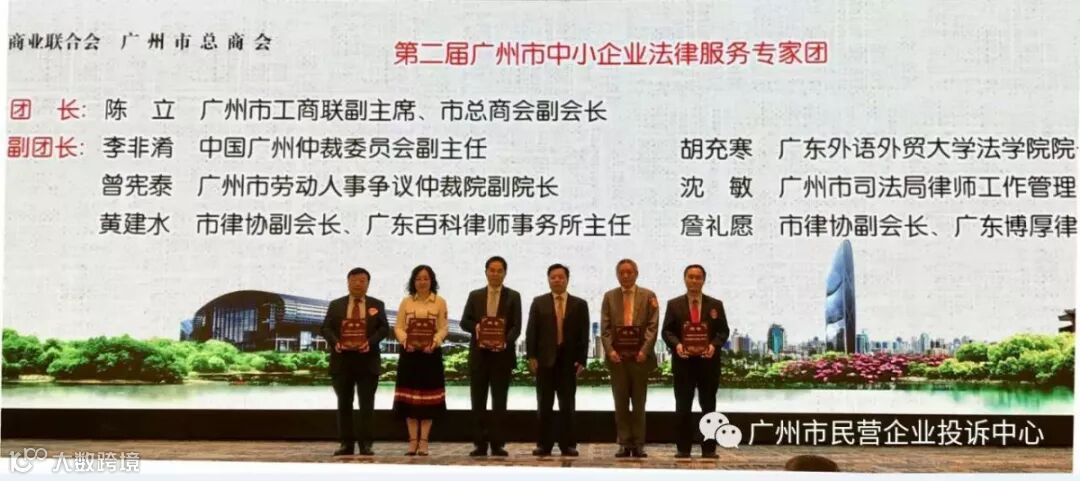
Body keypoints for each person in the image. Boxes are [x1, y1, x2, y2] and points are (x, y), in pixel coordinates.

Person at [660, 264, 730, 459]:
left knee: (709, 406)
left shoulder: (716, 305)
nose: (694, 280)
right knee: (683, 406)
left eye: (698, 277)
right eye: (690, 277)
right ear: (685, 279)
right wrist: (677, 345)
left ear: (703, 280)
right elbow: (667, 331)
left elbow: (723, 331)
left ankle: (709, 449)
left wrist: (714, 345)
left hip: (708, 363)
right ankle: (683, 449)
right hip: (683, 363)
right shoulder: (674, 304)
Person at [320, 267, 390, 456]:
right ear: (348, 282)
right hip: (342, 361)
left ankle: (366, 445)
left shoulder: (377, 304)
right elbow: (325, 328)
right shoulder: (336, 305)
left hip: (368, 361)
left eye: (362, 280)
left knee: (366, 405)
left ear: (368, 284)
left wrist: (370, 342)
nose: (358, 284)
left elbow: (384, 329)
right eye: (354, 280)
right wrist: (335, 343)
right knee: (344, 404)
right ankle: (346, 444)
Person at [459, 255, 522, 457]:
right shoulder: (475, 295)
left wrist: (504, 341)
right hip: (479, 355)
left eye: (499, 270)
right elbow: (464, 322)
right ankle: (479, 444)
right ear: (486, 272)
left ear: (505, 273)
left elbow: (516, 326)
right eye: (492, 270)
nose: (495, 274)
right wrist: (477, 327)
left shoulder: (514, 296)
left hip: (502, 356)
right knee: (478, 401)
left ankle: (497, 444)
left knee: (499, 401)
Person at [525, 263, 589, 457]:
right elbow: (531, 331)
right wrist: (531, 356)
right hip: (545, 361)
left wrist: (582, 360)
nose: (557, 280)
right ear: (548, 279)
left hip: (569, 361)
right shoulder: (539, 302)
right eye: (553, 277)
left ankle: (568, 445)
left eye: (561, 277)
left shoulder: (579, 304)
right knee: (544, 404)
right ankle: (543, 445)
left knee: (567, 405)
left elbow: (584, 334)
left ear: (567, 279)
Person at [600, 258, 659, 458]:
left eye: (629, 272)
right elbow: (605, 328)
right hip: (617, 359)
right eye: (621, 273)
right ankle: (624, 443)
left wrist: (644, 350)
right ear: (617, 275)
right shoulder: (609, 296)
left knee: (639, 404)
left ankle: (639, 444)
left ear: (636, 274)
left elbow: (652, 326)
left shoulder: (649, 296)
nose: (625, 276)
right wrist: (610, 351)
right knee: (621, 403)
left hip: (640, 358)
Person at [392, 265, 450, 456]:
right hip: (409, 355)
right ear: (413, 281)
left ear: (432, 281)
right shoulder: (406, 302)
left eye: (426, 278)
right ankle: (412, 441)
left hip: (430, 355)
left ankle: (424, 441)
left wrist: (435, 342)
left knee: (428, 401)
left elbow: (443, 328)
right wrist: (405, 341)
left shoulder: (440, 302)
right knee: (409, 401)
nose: (422, 282)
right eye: (418, 278)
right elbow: (398, 327)